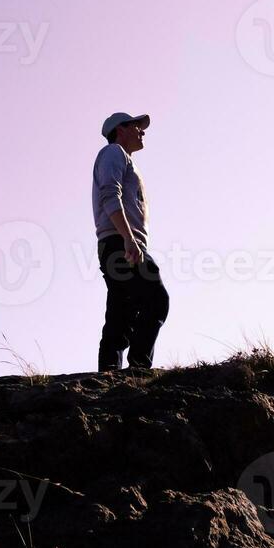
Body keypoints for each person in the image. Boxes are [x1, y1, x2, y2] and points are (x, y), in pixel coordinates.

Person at [92, 111, 169, 371]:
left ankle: (109, 373)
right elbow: (109, 194)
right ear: (121, 129)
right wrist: (128, 239)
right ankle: (138, 367)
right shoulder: (114, 153)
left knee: (121, 310)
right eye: (136, 126)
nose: (142, 130)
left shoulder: (124, 159)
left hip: (118, 242)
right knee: (156, 300)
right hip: (120, 242)